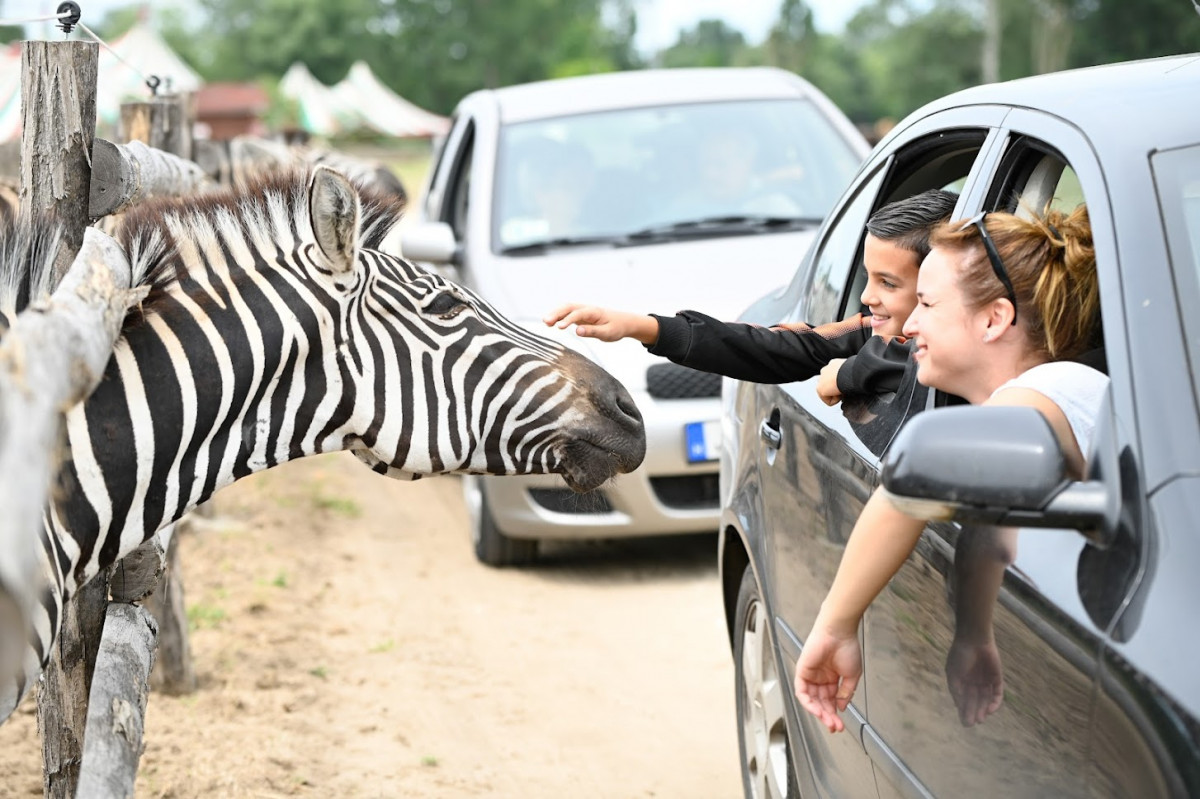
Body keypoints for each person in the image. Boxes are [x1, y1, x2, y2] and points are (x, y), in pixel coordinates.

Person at [793, 204, 1107, 734]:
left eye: (927, 303)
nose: (909, 324)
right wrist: (974, 634)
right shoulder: (1030, 406)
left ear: (994, 319)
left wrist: (835, 626)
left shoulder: (1056, 391)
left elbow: (921, 476)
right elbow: (989, 533)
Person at [544, 189, 959, 397]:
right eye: (867, 278)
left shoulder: (972, 350)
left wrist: (849, 373)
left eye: (889, 283)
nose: (867, 297)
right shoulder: (872, 331)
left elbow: (916, 363)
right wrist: (645, 327)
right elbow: (775, 347)